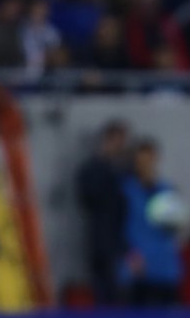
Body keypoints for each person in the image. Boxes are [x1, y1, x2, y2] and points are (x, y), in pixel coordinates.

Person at [120, 138, 183, 307]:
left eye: (149, 159)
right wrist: (128, 254)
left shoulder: (167, 190)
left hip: (165, 267)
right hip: (137, 266)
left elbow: (176, 226)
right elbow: (117, 228)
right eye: (141, 161)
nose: (145, 165)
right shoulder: (125, 191)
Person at [76, 119, 130, 306]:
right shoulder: (93, 169)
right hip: (102, 239)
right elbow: (89, 199)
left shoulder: (124, 171)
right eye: (117, 141)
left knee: (123, 293)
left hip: (123, 240)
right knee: (105, 289)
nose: (120, 146)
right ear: (107, 140)